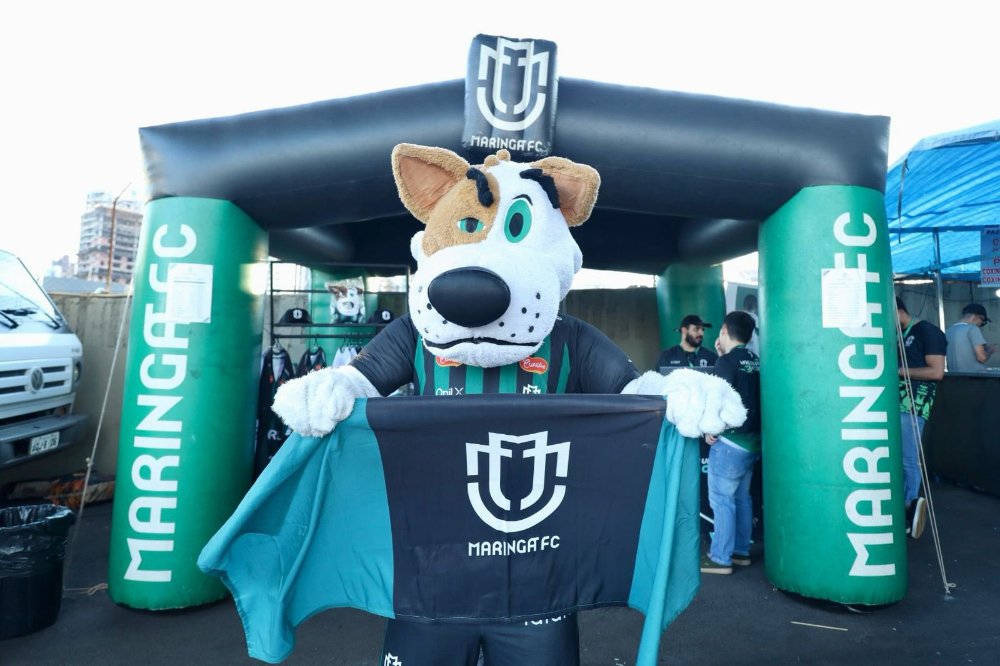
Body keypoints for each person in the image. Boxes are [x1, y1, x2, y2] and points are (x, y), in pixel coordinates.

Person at [700, 311, 760, 575]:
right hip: (753, 443)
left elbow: (717, 400)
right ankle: (740, 552)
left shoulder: (726, 362)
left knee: (722, 499)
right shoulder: (755, 360)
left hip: (730, 443)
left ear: (724, 330)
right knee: (742, 498)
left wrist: (709, 428)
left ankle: (720, 557)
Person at [895, 297, 946, 539]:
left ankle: (910, 509)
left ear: (898, 311)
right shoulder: (900, 334)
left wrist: (898, 371)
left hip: (913, 404)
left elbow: (936, 372)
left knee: (908, 460)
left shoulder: (927, 331)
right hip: (895, 404)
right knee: (899, 459)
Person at [945, 303, 995, 373]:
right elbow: (982, 358)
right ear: (975, 317)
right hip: (974, 377)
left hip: (955, 378)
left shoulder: (947, 331)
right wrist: (990, 350)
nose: (981, 324)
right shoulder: (973, 329)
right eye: (983, 321)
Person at [742, 293, 761, 358]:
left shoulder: (737, 317)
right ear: (756, 306)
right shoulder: (759, 321)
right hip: (755, 354)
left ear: (744, 305)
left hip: (741, 354)